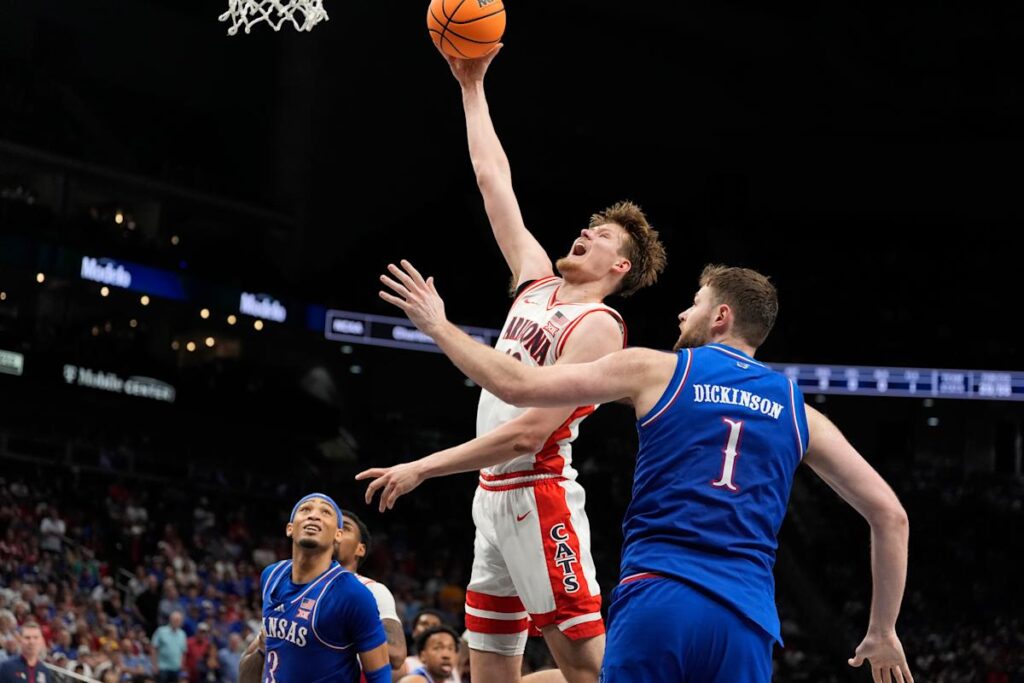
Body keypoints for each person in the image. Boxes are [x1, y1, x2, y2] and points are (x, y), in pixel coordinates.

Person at [373, 260, 915, 683]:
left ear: (721, 316)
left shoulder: (656, 369)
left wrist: (438, 326)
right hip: (747, 621)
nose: (683, 314)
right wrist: (882, 628)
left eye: (695, 303)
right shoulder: (802, 412)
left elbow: (515, 387)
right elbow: (890, 516)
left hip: (661, 597)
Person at [357, 44, 667, 683]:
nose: (586, 231)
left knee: (586, 672)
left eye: (603, 235)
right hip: (490, 500)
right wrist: (471, 85)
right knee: (489, 675)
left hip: (540, 496)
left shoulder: (601, 330)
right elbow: (492, 178)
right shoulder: (535, 281)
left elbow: (530, 431)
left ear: (621, 268)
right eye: (589, 224)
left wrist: (421, 466)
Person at [237, 493, 389, 683]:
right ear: (290, 529)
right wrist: (261, 649)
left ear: (338, 535)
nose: (314, 515)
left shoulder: (353, 594)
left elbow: (381, 676)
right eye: (305, 509)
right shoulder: (271, 576)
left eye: (325, 512)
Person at [335, 510, 407, 675]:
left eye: (344, 528)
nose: (335, 533)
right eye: (331, 527)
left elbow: (396, 654)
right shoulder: (287, 582)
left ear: (360, 549)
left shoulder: (372, 590)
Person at [152, 611, 187, 683]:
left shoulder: (182, 634)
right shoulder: (161, 631)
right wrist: (154, 665)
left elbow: (184, 652)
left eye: (178, 620)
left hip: (176, 668)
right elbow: (154, 649)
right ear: (170, 620)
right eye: (175, 620)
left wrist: (182, 665)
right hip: (162, 667)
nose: (177, 622)